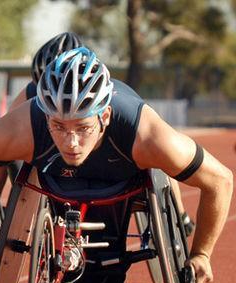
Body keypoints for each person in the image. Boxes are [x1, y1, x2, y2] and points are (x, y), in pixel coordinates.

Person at [0, 47, 232, 283]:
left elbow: (220, 180)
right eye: (58, 126)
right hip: (55, 179)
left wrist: (202, 254)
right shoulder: (22, 128)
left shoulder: (147, 135)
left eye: (83, 127)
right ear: (46, 115)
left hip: (124, 174)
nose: (71, 142)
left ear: (105, 116)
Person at [12, 32, 196, 234]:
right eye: (41, 84)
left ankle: (180, 209)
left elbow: (165, 153)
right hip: (57, 156)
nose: (59, 98)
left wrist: (179, 214)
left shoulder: (101, 94)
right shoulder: (32, 93)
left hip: (106, 154)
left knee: (161, 158)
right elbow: (8, 137)